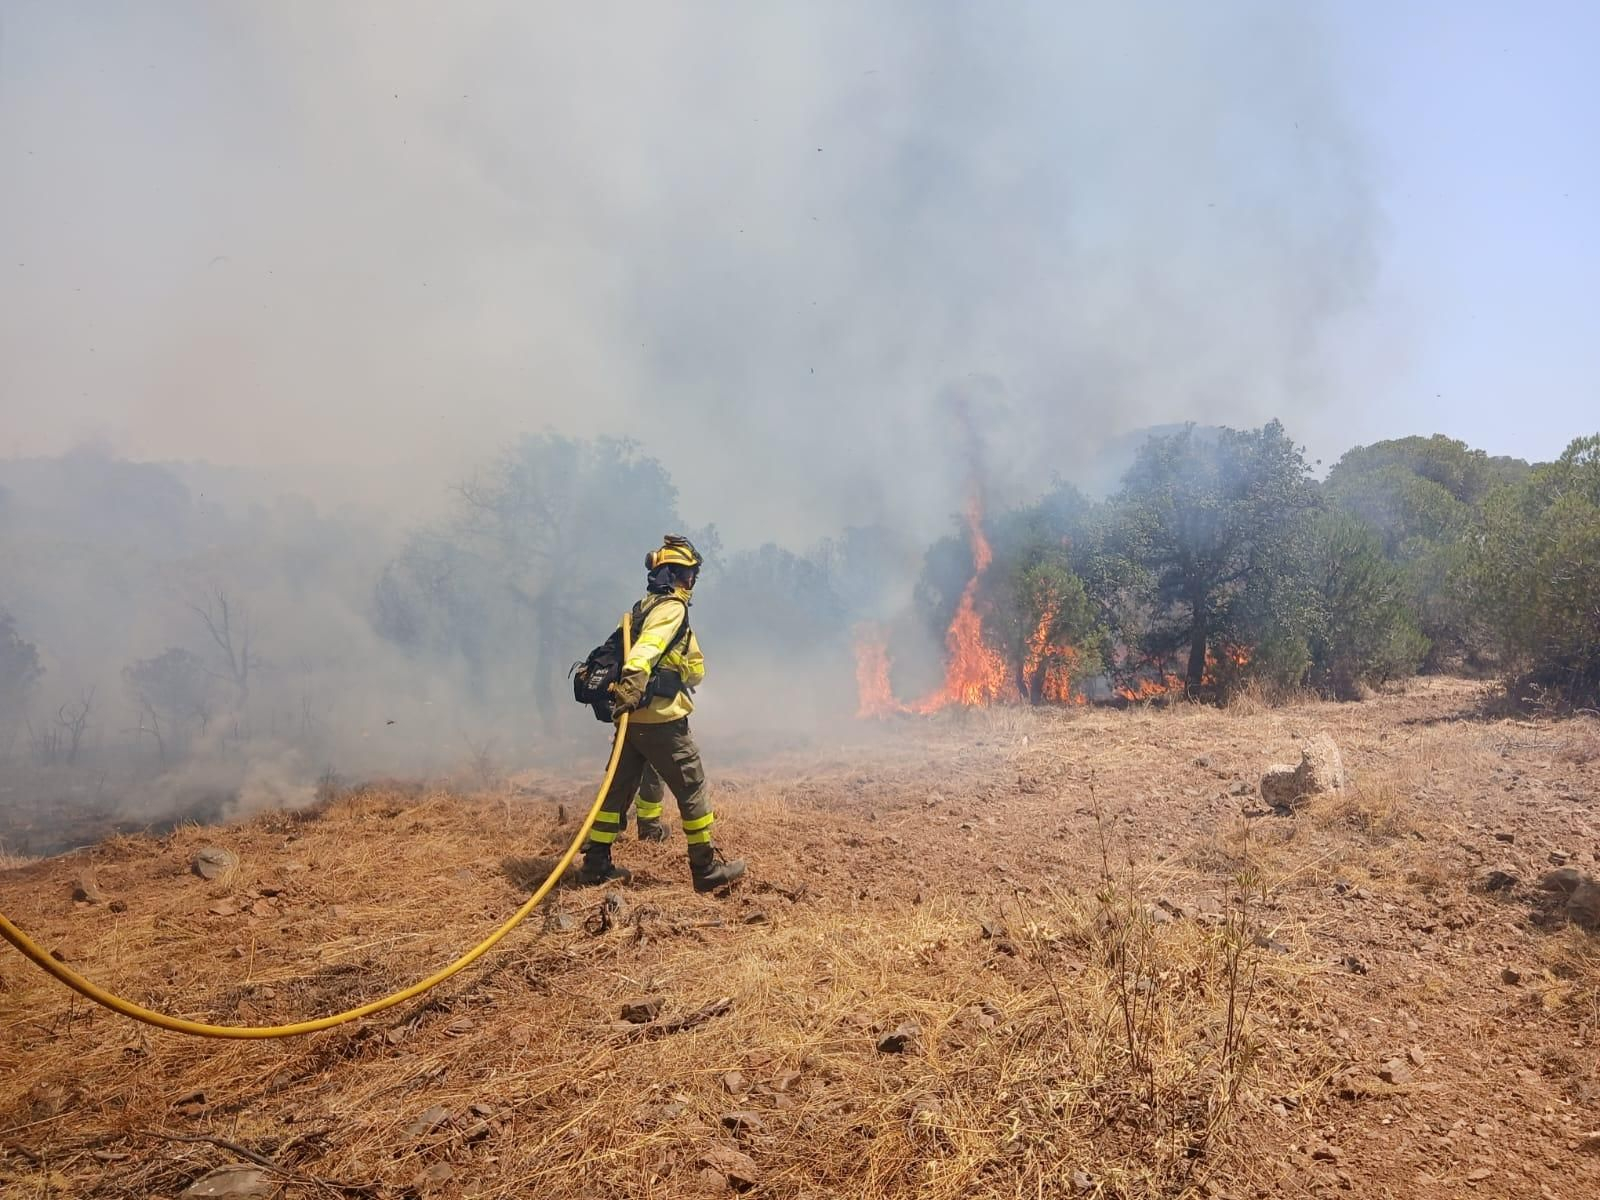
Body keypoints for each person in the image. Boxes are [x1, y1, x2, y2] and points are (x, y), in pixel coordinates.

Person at [579, 535, 746, 893]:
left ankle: (595, 864)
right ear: (677, 575)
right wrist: (635, 683)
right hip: (660, 719)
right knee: (693, 788)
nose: (691, 583)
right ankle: (705, 869)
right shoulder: (671, 609)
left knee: (616, 793)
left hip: (633, 719)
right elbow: (646, 650)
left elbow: (693, 666)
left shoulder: (644, 607)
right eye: (689, 575)